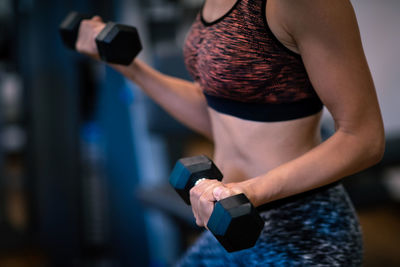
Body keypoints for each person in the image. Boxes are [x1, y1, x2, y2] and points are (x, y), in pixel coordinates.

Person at [76, 0, 385, 265]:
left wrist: (253, 191)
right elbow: (217, 113)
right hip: (230, 224)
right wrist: (129, 68)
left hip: (302, 228)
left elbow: (364, 138)